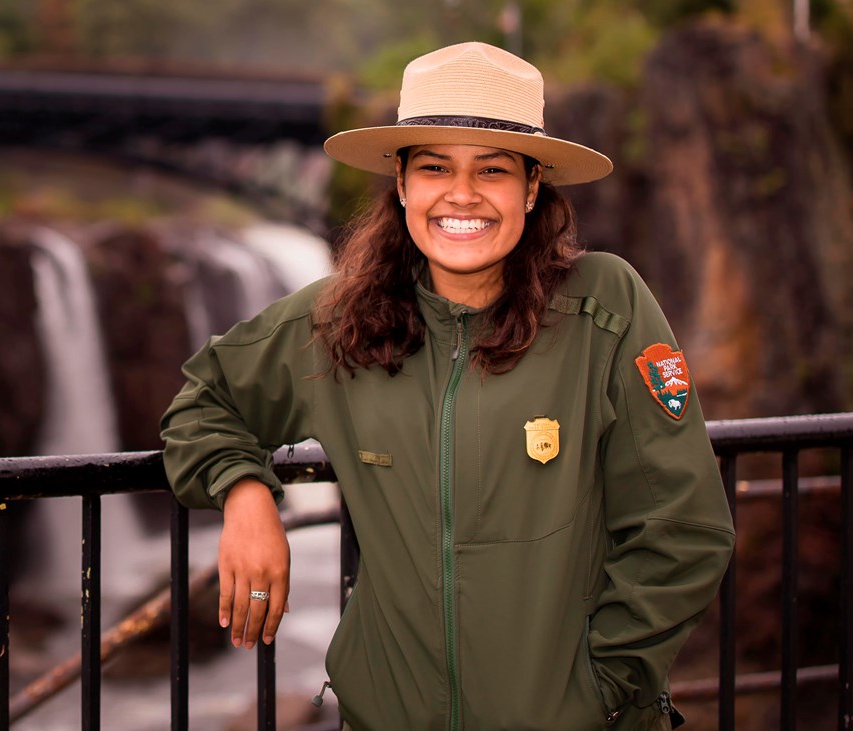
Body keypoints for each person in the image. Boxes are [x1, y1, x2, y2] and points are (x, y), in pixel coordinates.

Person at [160, 42, 735, 730]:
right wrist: (245, 490)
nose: (461, 194)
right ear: (402, 183)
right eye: (435, 166)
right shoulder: (339, 320)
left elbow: (683, 528)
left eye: (491, 170)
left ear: (530, 187)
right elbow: (205, 398)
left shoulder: (603, 310)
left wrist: (599, 688)